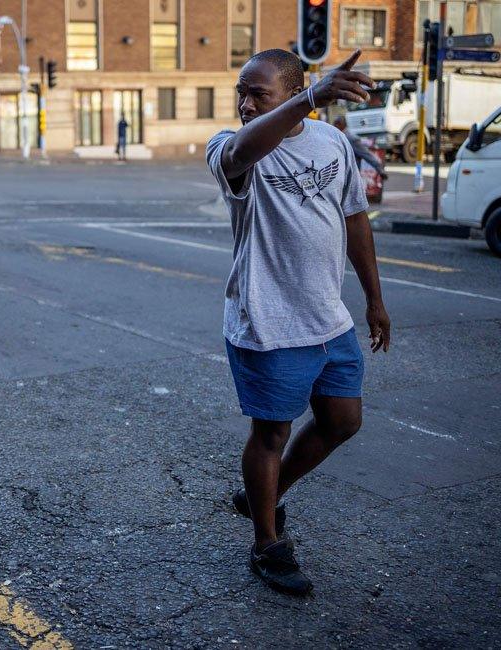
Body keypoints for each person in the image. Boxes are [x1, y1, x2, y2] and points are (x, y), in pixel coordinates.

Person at [205, 49, 391, 596]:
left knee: (343, 421)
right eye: (240, 91)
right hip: (266, 320)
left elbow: (354, 218)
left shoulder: (332, 143)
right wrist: (312, 98)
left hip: (328, 319)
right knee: (271, 433)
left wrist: (374, 299)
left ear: (289, 92)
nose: (244, 103)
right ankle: (267, 543)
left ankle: (263, 492)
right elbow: (245, 146)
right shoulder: (230, 148)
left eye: (257, 94)